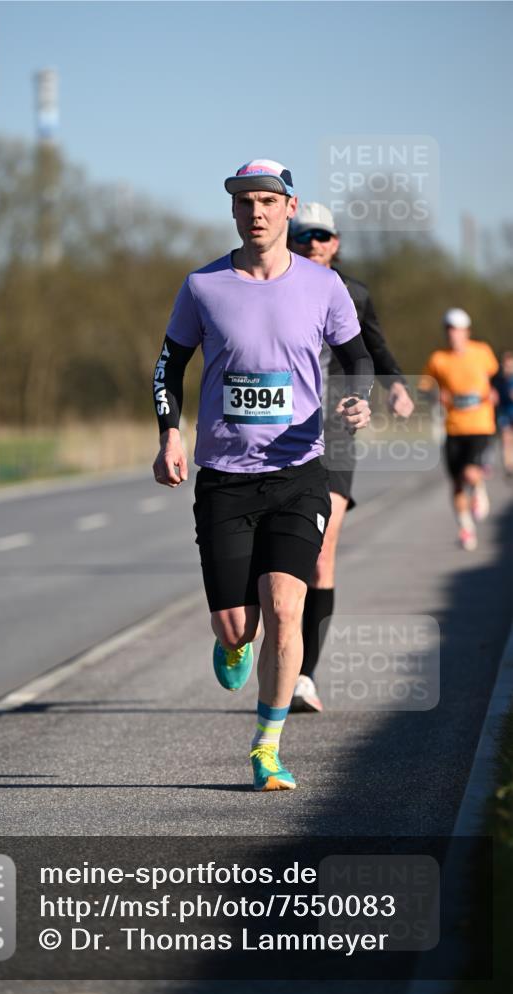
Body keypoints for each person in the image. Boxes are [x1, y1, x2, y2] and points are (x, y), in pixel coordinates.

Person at [152, 159, 374, 791]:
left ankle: (267, 747)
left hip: (299, 472)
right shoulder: (203, 286)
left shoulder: (323, 286)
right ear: (233, 210)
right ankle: (232, 642)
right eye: (245, 201)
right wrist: (170, 433)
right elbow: (168, 366)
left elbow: (358, 359)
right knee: (238, 624)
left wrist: (358, 400)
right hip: (225, 478)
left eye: (268, 201)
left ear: (289, 208)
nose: (256, 212)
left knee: (284, 606)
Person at [287, 203, 414, 712]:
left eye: (322, 236)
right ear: (290, 241)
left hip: (336, 430)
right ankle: (259, 637)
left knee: (321, 551)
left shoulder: (354, 294)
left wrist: (396, 386)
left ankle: (303, 675)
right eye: (304, 236)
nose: (313, 243)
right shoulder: (271, 288)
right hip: (281, 433)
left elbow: (377, 350)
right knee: (274, 557)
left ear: (335, 243)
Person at [419, 308, 499, 551]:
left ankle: (478, 487)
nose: (454, 335)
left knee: (470, 473)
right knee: (456, 483)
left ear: (467, 332)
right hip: (453, 427)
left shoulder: (482, 352)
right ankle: (466, 528)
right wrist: (436, 394)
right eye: (450, 330)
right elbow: (424, 387)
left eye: (458, 330)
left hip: (480, 424)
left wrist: (495, 391)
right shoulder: (438, 359)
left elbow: (496, 376)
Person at [493, 350, 513, 476]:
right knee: (506, 439)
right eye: (506, 365)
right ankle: (508, 465)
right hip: (504, 412)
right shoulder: (498, 380)